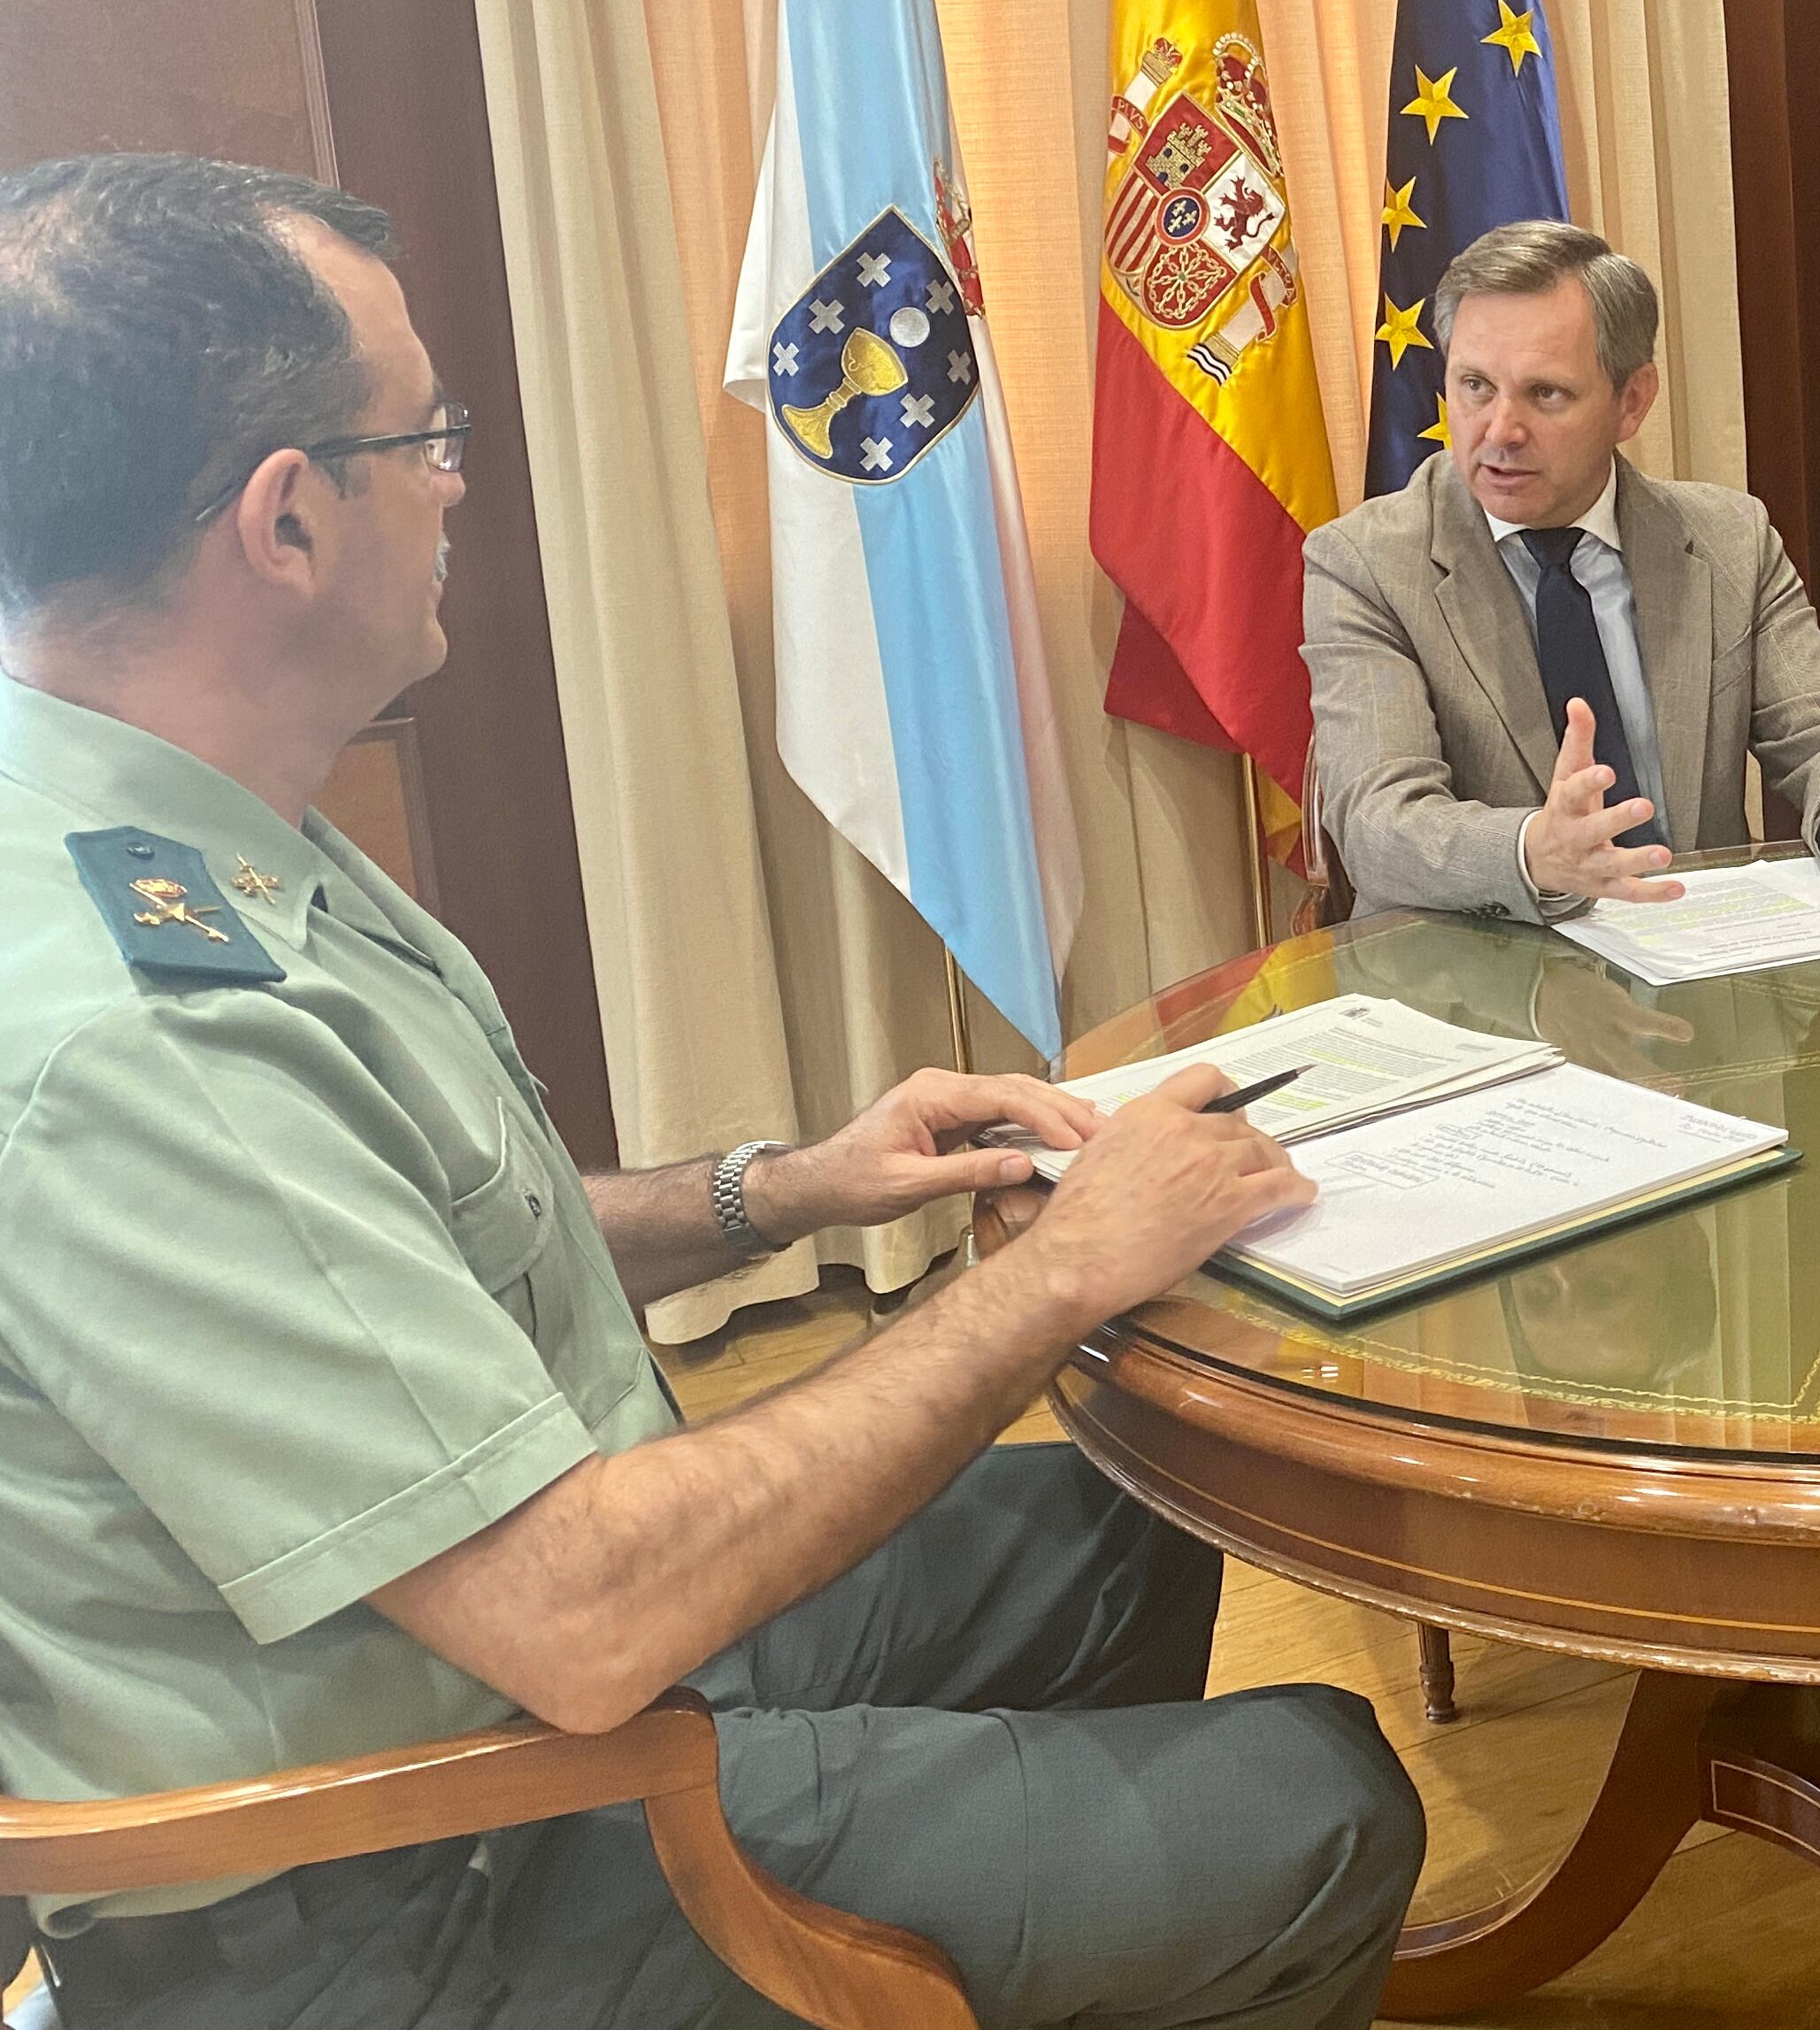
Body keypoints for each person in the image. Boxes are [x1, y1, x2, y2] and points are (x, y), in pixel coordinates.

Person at [0, 153, 1424, 2028]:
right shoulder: (129, 1022)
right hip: (412, 1880)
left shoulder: (176, 806)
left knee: (1124, 1518)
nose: (452, 485)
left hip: (528, 1659)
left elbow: (398, 1245)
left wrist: (790, 1189)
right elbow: (581, 1621)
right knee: (1322, 1804)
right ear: (284, 524)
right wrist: (1056, 1278)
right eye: (425, 436)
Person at [1305, 219, 1820, 917]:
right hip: (1477, 985)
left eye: (1546, 393)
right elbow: (1377, 820)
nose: (1499, 431)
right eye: (1474, 386)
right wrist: (1532, 852)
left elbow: (1819, 731)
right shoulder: (1366, 563)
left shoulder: (1729, 540)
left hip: (1699, 971)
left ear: (1632, 401)